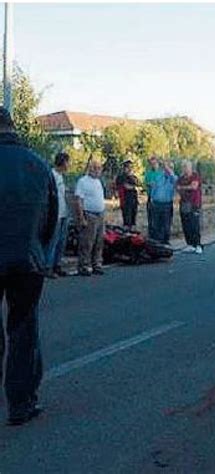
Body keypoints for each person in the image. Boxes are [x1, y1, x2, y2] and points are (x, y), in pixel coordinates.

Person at [0, 107, 58, 426]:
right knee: (23, 330)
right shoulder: (38, 165)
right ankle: (20, 403)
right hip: (28, 259)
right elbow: (51, 217)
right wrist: (41, 253)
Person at [75, 160, 106, 276]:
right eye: (96, 168)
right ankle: (84, 265)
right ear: (91, 168)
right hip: (89, 214)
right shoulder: (83, 181)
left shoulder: (98, 182)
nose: (98, 170)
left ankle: (97, 264)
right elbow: (79, 200)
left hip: (100, 214)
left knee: (99, 241)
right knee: (87, 242)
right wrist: (81, 217)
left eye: (99, 168)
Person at [45, 152, 71, 279]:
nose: (69, 165)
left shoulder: (61, 176)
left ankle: (57, 264)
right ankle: (48, 266)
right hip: (55, 213)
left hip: (64, 212)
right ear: (62, 162)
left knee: (62, 241)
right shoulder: (51, 175)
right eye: (67, 162)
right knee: (53, 241)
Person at [146, 158, 177, 245]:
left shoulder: (172, 178)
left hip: (167, 204)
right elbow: (153, 188)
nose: (167, 169)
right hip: (156, 204)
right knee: (155, 224)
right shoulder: (159, 176)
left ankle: (165, 242)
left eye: (170, 168)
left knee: (166, 225)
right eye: (166, 168)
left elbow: (175, 180)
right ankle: (156, 243)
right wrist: (152, 198)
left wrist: (169, 170)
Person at [177, 161, 203, 254]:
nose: (185, 169)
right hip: (184, 203)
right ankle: (190, 244)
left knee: (194, 224)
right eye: (184, 167)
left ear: (191, 168)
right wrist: (185, 188)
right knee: (186, 224)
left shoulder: (195, 176)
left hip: (194, 203)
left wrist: (183, 188)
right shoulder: (181, 178)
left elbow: (194, 187)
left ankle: (198, 245)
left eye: (187, 167)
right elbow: (177, 188)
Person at [115, 160, 139, 231]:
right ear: (124, 168)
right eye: (128, 167)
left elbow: (137, 184)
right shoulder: (121, 177)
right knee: (126, 221)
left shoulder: (133, 177)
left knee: (133, 221)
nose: (129, 169)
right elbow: (126, 186)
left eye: (131, 167)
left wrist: (132, 184)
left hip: (134, 201)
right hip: (125, 201)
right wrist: (132, 186)